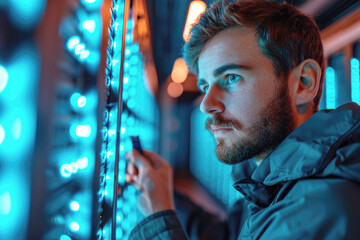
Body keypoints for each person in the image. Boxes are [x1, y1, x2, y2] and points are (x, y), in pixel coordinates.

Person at [126, 0, 360, 239]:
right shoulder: (272, 184)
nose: (206, 105)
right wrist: (167, 201)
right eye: (205, 86)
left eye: (231, 78)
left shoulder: (321, 211)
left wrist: (160, 215)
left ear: (303, 83)